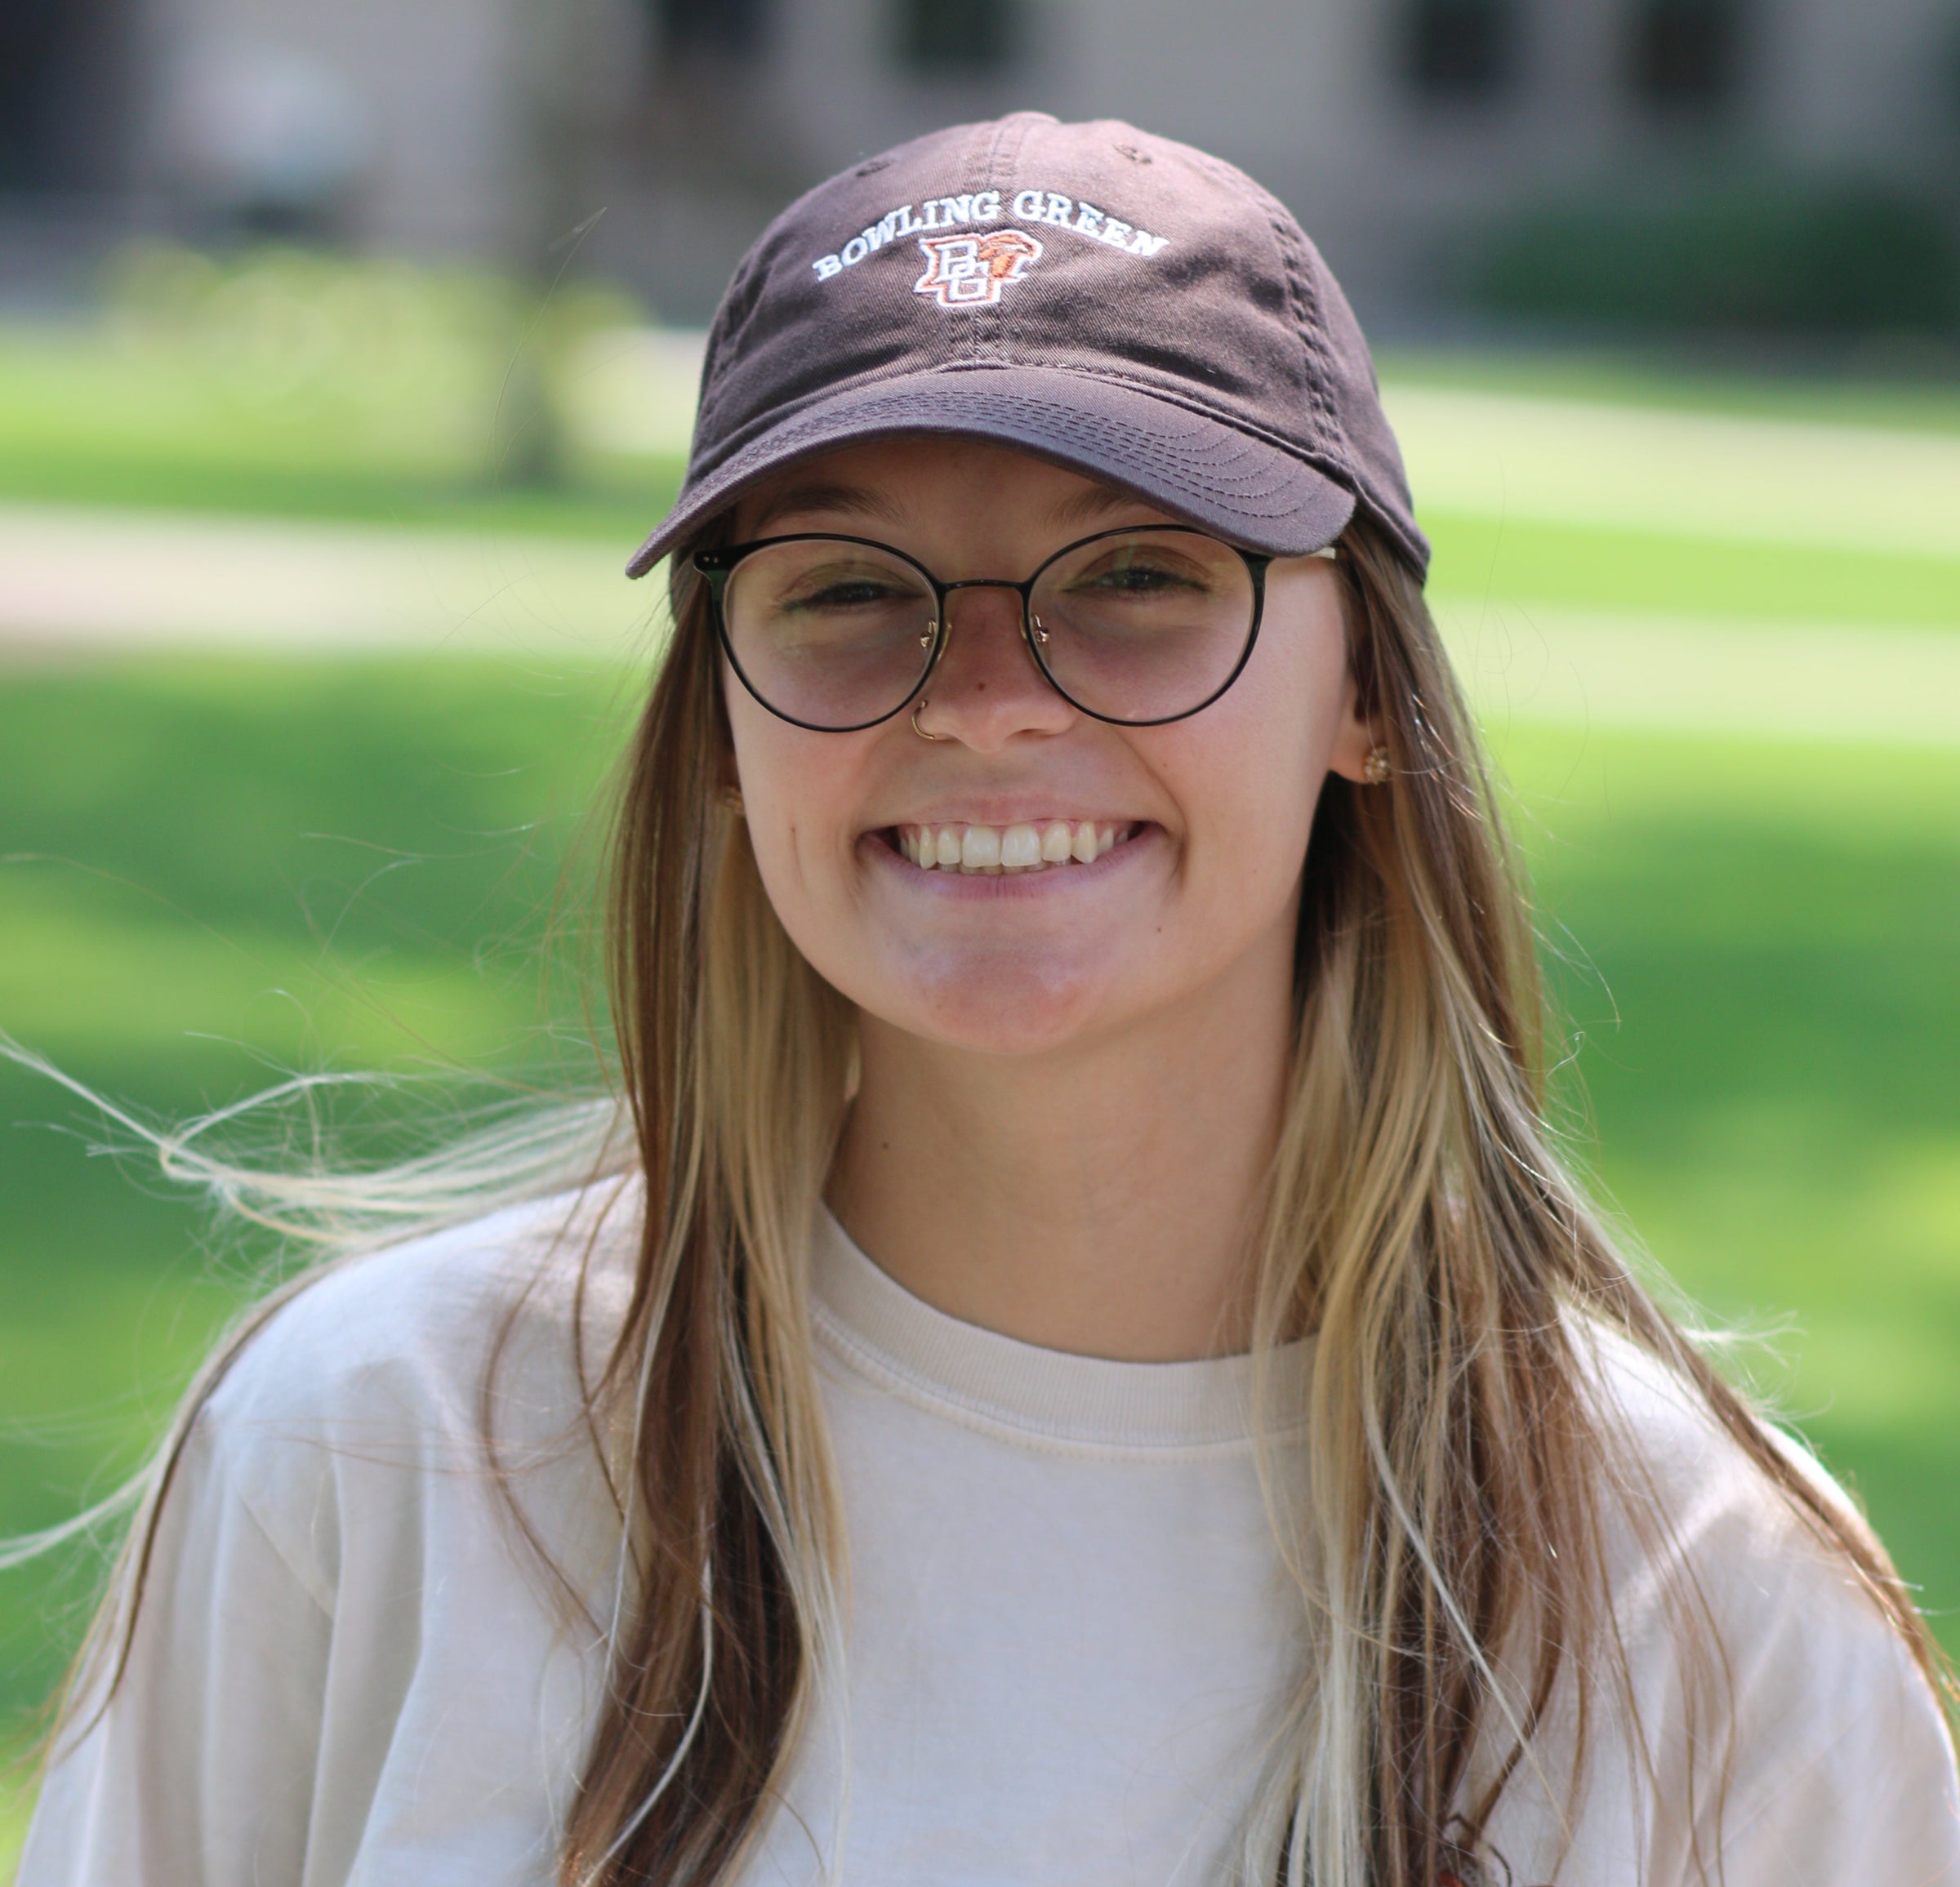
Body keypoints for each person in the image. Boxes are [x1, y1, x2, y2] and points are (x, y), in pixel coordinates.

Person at [15, 113, 1959, 1887]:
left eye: (1137, 574)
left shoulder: (1706, 1609)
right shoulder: (376, 1454)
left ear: (1365, 690)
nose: (983, 699)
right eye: (848, 593)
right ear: (718, 727)